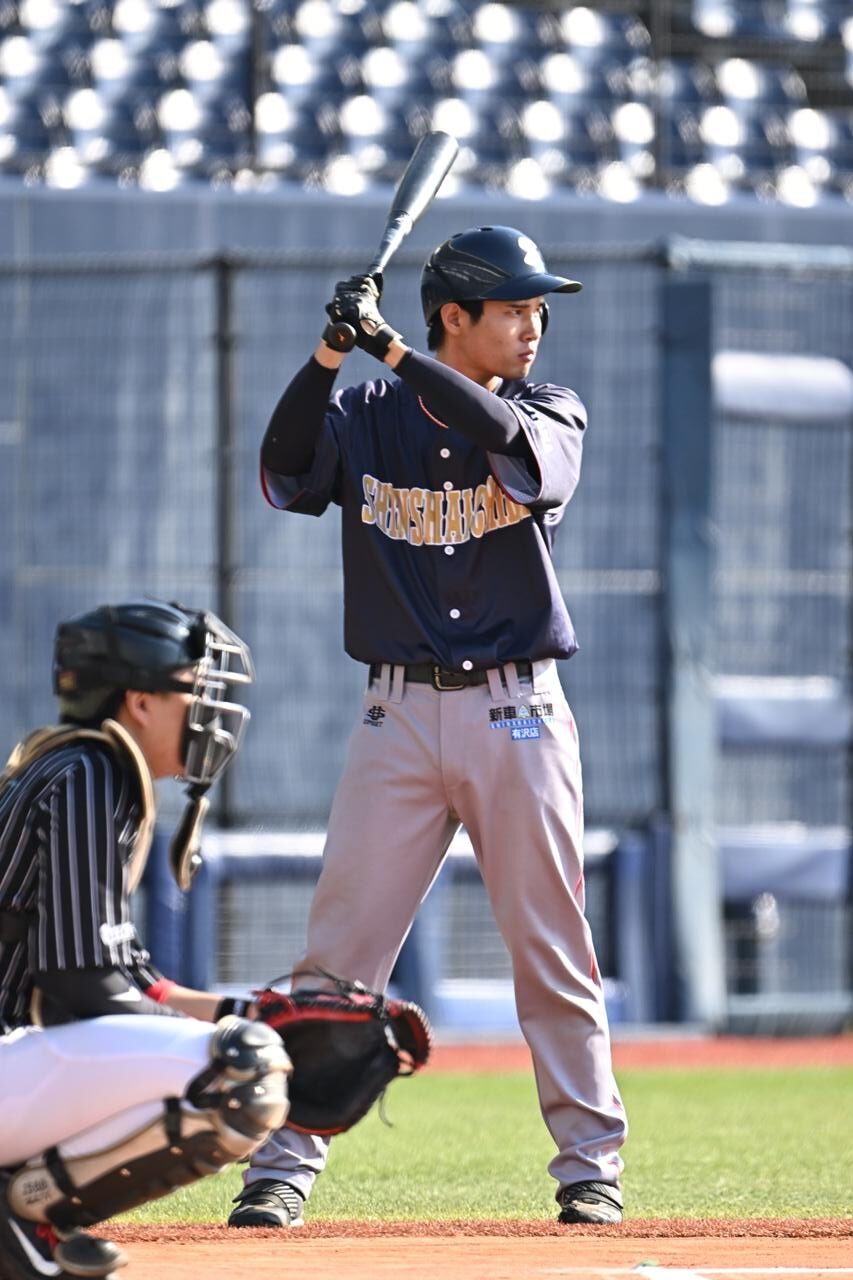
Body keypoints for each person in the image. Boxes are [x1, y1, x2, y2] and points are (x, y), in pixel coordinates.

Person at [233, 225, 627, 1230]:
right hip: (395, 715)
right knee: (336, 961)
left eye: (538, 309)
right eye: (514, 308)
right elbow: (283, 469)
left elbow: (515, 451)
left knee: (551, 949)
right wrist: (330, 353)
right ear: (457, 314)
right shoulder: (365, 413)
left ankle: (590, 1165)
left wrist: (394, 349)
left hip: (518, 710)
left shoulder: (549, 406)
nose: (533, 326)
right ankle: (282, 1165)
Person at [0, 600, 291, 1280]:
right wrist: (238, 1041)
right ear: (139, 702)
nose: (210, 710)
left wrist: (257, 1014)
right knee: (242, 1072)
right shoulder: (89, 775)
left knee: (249, 1044)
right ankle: (19, 1216)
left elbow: (133, 983)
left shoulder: (78, 766)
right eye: (193, 688)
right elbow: (81, 984)